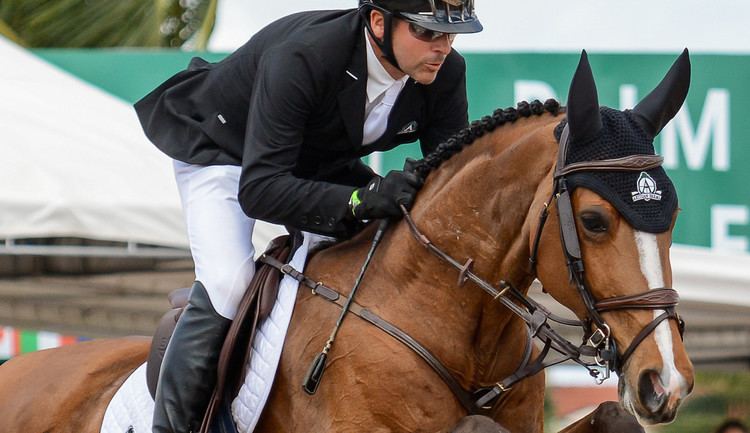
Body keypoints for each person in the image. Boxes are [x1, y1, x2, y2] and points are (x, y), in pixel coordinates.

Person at [134, 0, 482, 431]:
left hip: (311, 160)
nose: (443, 47)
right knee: (229, 282)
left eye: (451, 34)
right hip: (225, 152)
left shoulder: (445, 74)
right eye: (427, 32)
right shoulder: (305, 55)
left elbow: (455, 185)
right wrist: (359, 200)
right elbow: (260, 190)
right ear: (378, 21)